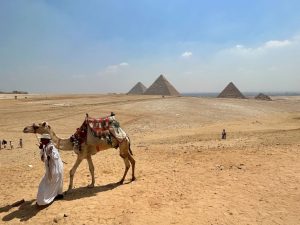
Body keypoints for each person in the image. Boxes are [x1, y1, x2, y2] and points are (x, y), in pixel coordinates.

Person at [36, 134, 64, 207]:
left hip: (55, 169)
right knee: (50, 183)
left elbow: (56, 157)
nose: (41, 140)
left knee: (53, 182)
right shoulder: (45, 146)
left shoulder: (52, 147)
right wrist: (42, 149)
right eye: (41, 139)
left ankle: (51, 197)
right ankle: (49, 197)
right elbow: (43, 159)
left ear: (47, 140)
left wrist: (50, 154)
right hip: (50, 169)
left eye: (42, 139)